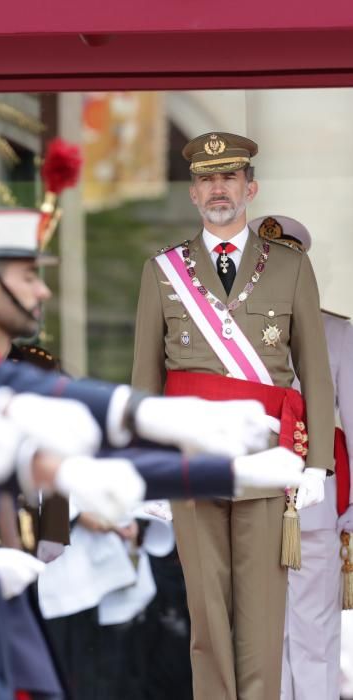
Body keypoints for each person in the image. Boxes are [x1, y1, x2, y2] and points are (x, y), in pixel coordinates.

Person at [131, 132, 336, 700]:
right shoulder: (163, 271)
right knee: (207, 614)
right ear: (193, 194)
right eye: (206, 179)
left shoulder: (290, 267)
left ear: (251, 188)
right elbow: (145, 379)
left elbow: (314, 372)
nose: (218, 189)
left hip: (269, 461)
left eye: (229, 178)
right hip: (191, 462)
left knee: (263, 617)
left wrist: (317, 464)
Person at [250, 214, 353, 700]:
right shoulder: (232, 336)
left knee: (314, 636)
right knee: (259, 640)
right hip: (248, 502)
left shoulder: (337, 334)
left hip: (312, 506)